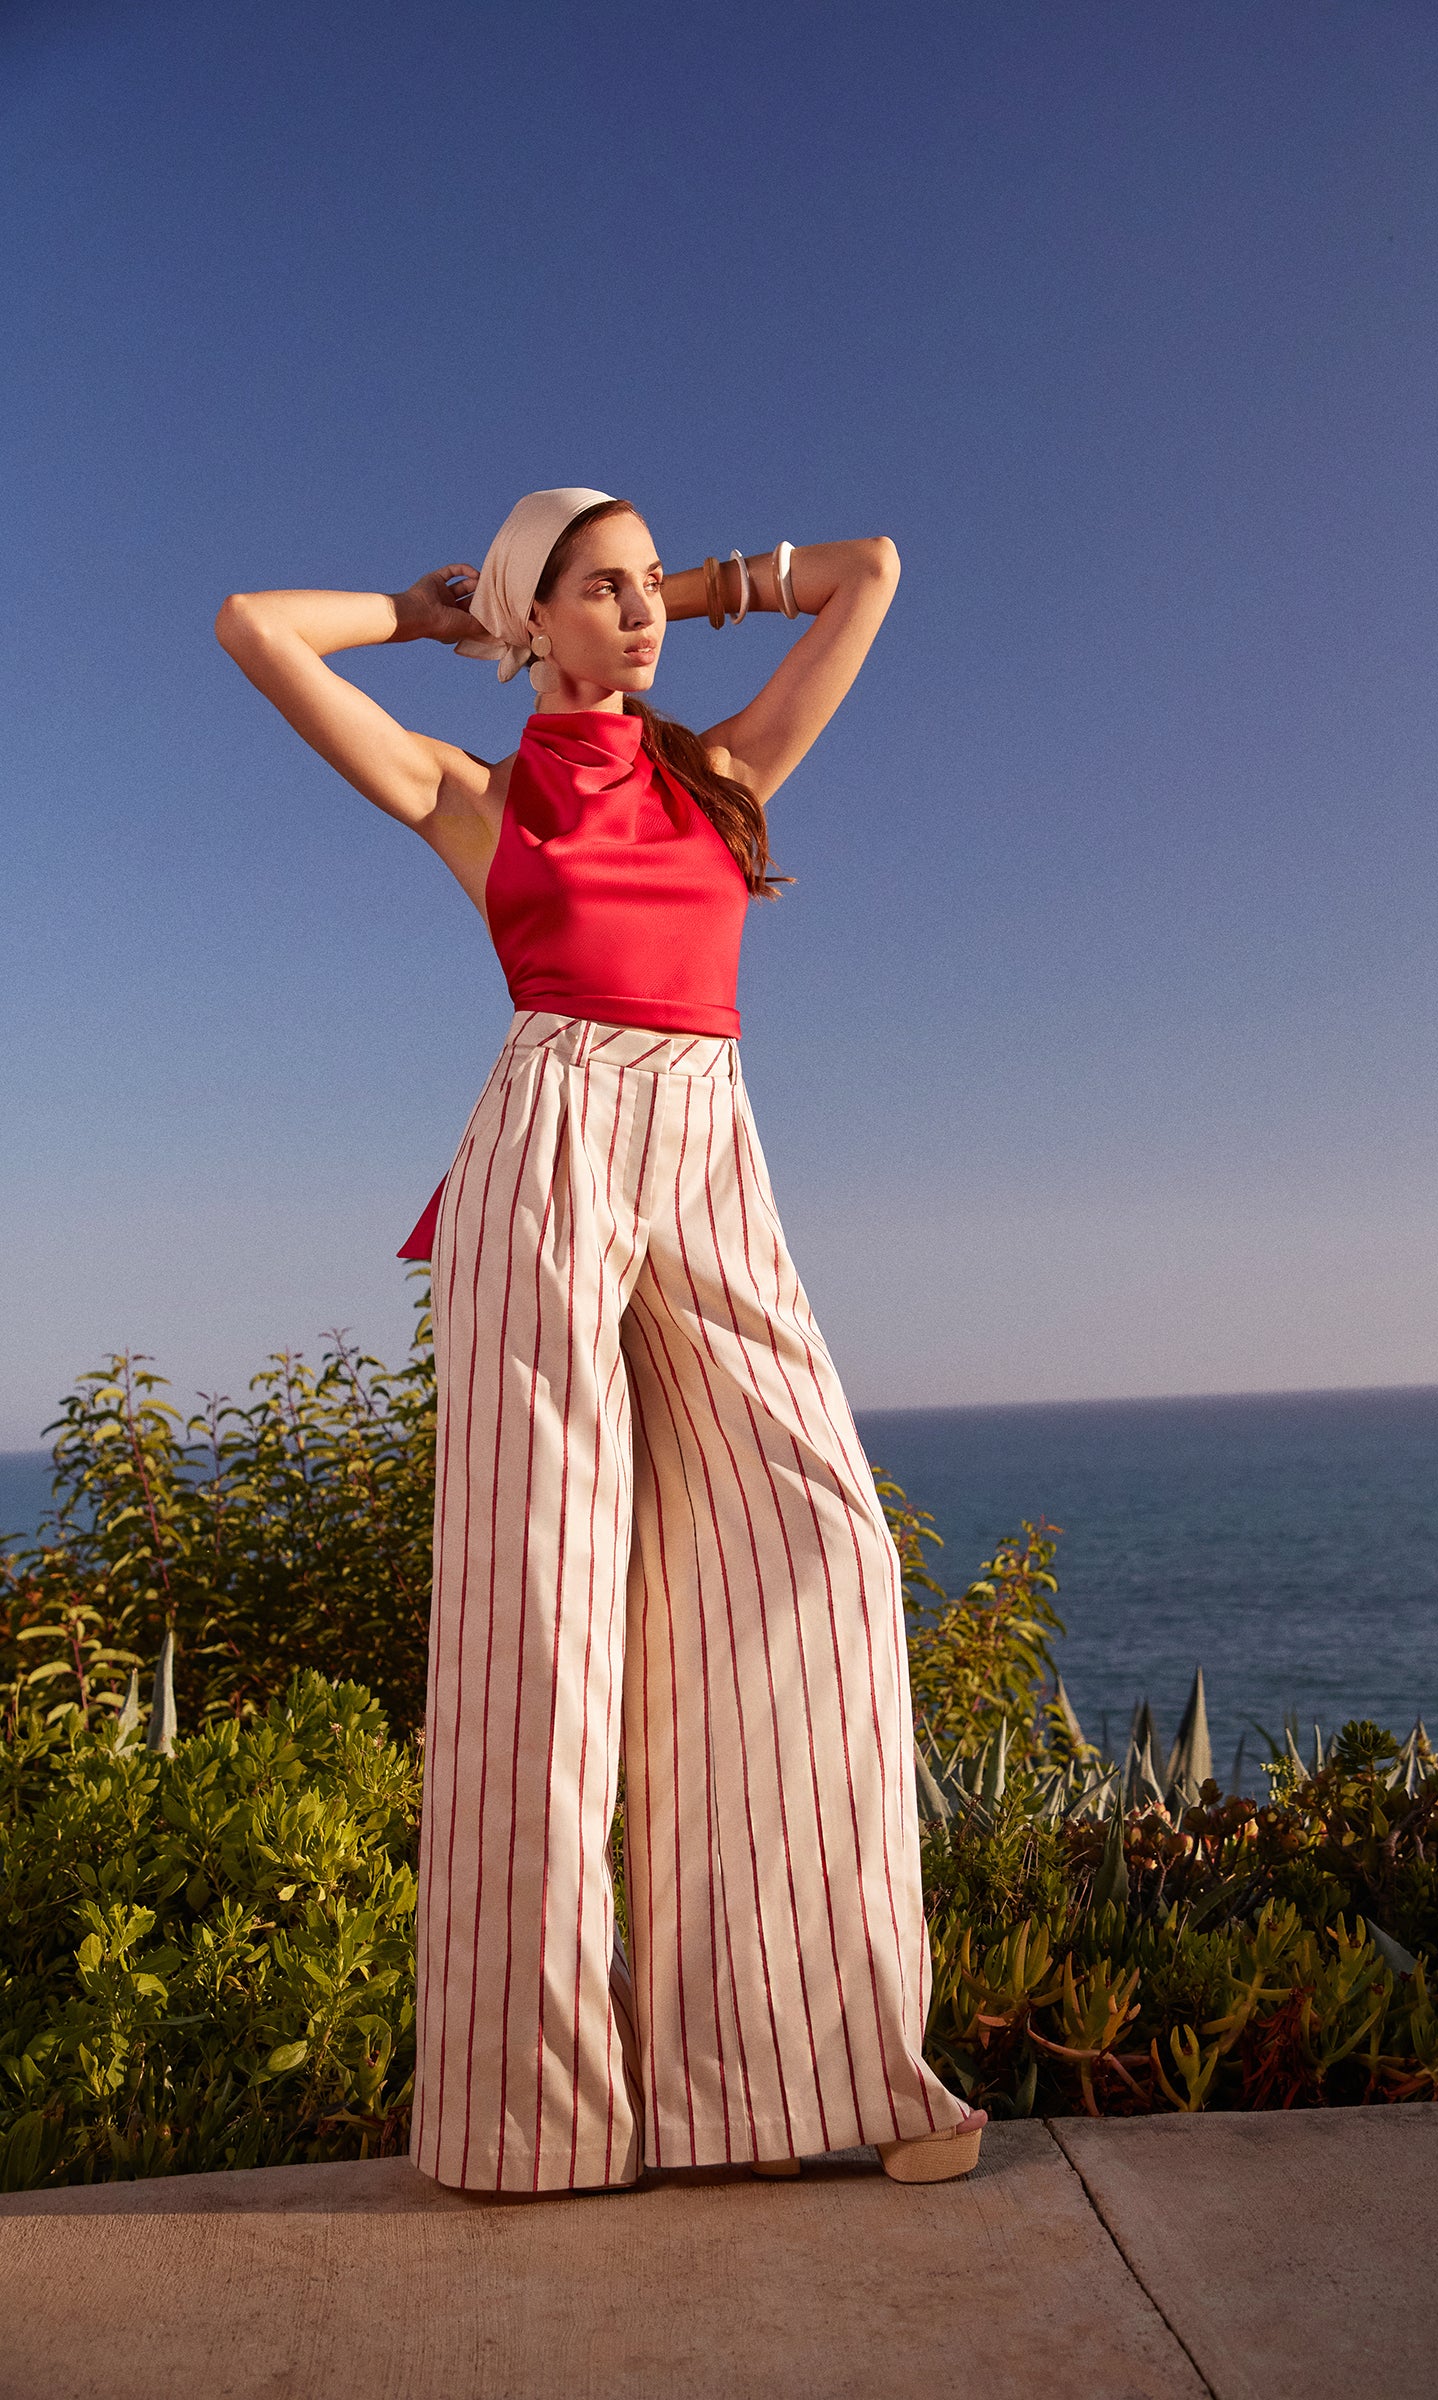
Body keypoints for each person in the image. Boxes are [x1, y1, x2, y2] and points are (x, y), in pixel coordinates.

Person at [214, 488, 986, 2194]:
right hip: (544, 1160)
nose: (640, 616)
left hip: (710, 1153)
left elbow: (873, 569)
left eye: (650, 589)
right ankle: (535, 2122)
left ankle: (799, 2078)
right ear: (534, 621)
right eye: (603, 592)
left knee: (823, 1553)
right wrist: (436, 620)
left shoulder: (721, 777)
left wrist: (703, 589)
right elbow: (253, 628)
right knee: (538, 1636)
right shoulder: (471, 798)